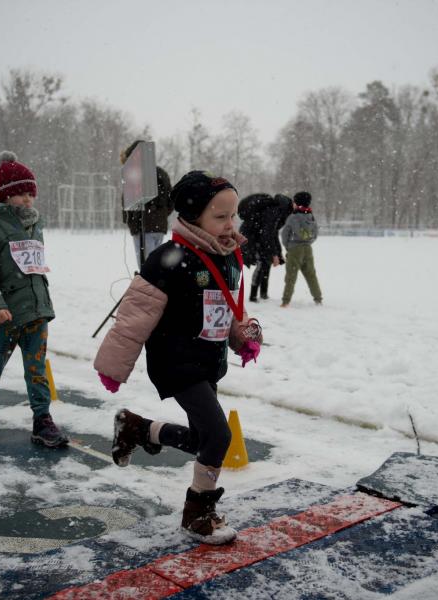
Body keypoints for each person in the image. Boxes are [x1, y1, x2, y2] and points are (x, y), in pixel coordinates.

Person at [94, 170, 263, 545]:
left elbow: (232, 309)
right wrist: (113, 365)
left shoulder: (228, 256)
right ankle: (197, 512)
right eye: (220, 217)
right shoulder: (168, 259)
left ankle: (137, 428)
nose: (229, 224)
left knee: (204, 439)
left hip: (207, 362)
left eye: (232, 216)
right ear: (191, 216)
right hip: (176, 360)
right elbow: (134, 316)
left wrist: (244, 336)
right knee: (219, 435)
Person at [0, 151, 68, 448]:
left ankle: (42, 420)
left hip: (36, 311)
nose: (27, 200)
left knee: (36, 368)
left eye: (30, 193)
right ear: (5, 196)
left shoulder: (35, 224)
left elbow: (34, 267)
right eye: (20, 194)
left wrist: (42, 301)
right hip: (5, 314)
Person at [120, 140, 173, 269]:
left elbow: (128, 201)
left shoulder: (135, 174)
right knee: (156, 266)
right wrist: (161, 214)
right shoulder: (161, 173)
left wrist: (130, 219)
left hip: (143, 226)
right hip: (159, 227)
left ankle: (149, 287)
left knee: (147, 268)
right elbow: (170, 201)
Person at [239, 193, 292, 302]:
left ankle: (263, 293)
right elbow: (267, 234)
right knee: (262, 264)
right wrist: (273, 254)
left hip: (257, 237)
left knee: (266, 263)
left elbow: (273, 233)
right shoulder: (274, 211)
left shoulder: (275, 211)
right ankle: (253, 296)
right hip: (253, 238)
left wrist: (278, 253)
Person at [280, 191, 323, 307]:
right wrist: (308, 242)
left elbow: (285, 234)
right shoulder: (311, 217)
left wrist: (288, 247)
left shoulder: (293, 217)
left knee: (291, 276)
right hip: (308, 249)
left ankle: (285, 301)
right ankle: (318, 298)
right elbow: (315, 234)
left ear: (297, 203)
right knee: (311, 275)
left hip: (295, 249)